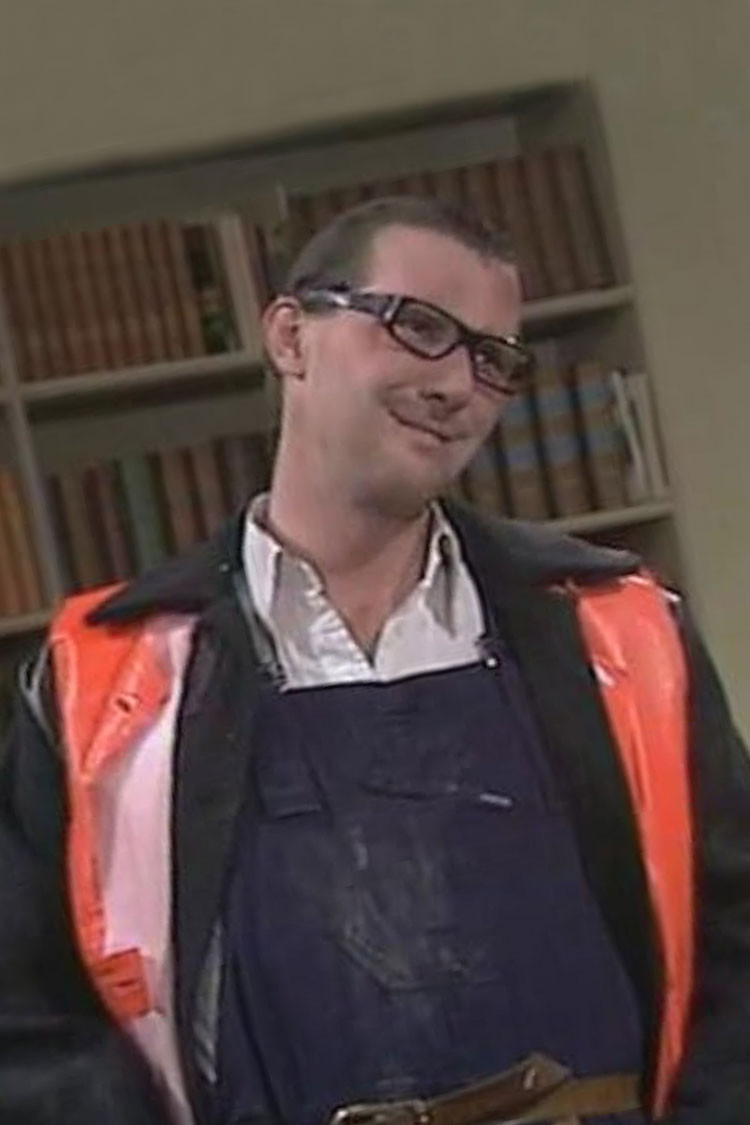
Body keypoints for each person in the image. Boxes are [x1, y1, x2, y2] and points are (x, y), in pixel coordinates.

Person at [1, 195, 749, 1125]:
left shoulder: (623, 634)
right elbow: (25, 1019)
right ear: (290, 336)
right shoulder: (106, 678)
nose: (457, 385)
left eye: (492, 360)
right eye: (419, 327)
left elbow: (736, 951)